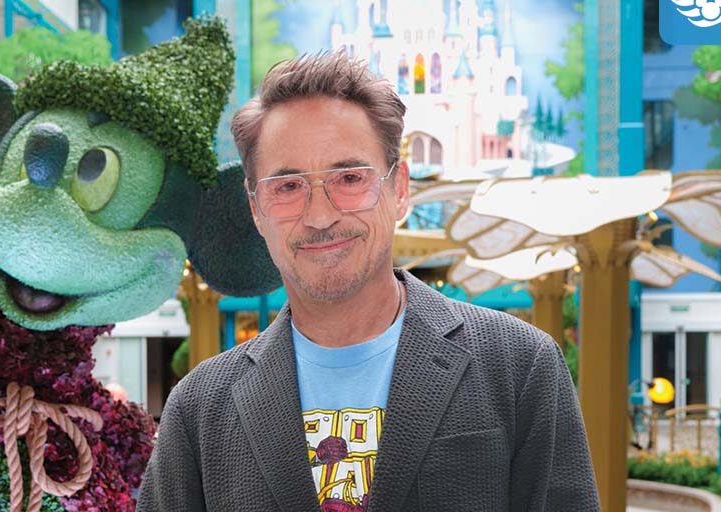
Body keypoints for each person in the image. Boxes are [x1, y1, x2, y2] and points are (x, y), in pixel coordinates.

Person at [137, 51, 600, 511]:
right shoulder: (199, 410)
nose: (320, 216)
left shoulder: (517, 368)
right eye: (288, 186)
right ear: (256, 208)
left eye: (349, 178)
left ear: (399, 190)